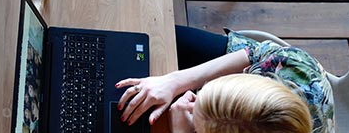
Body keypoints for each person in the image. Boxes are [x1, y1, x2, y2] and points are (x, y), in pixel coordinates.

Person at [116, 28, 334, 133]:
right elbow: (253, 53)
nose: (186, 101)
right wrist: (175, 81)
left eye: (194, 119)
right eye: (199, 97)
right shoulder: (294, 65)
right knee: (158, 36)